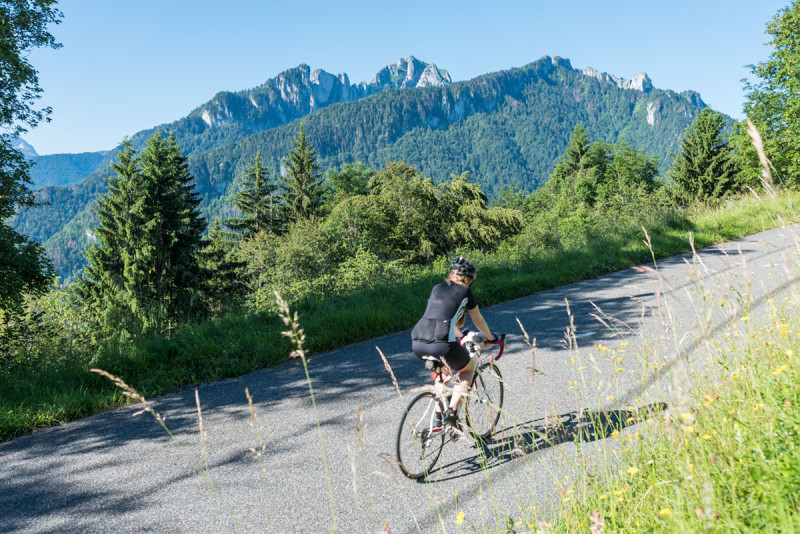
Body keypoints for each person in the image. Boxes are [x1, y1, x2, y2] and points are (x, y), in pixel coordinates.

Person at [411, 255, 496, 427]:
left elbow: (442, 317)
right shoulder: (465, 291)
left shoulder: (437, 288)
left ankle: (437, 418)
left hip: (417, 340)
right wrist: (490, 338)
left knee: (444, 374)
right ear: (468, 279)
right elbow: (478, 320)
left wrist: (459, 334)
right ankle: (451, 412)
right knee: (468, 369)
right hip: (441, 344)